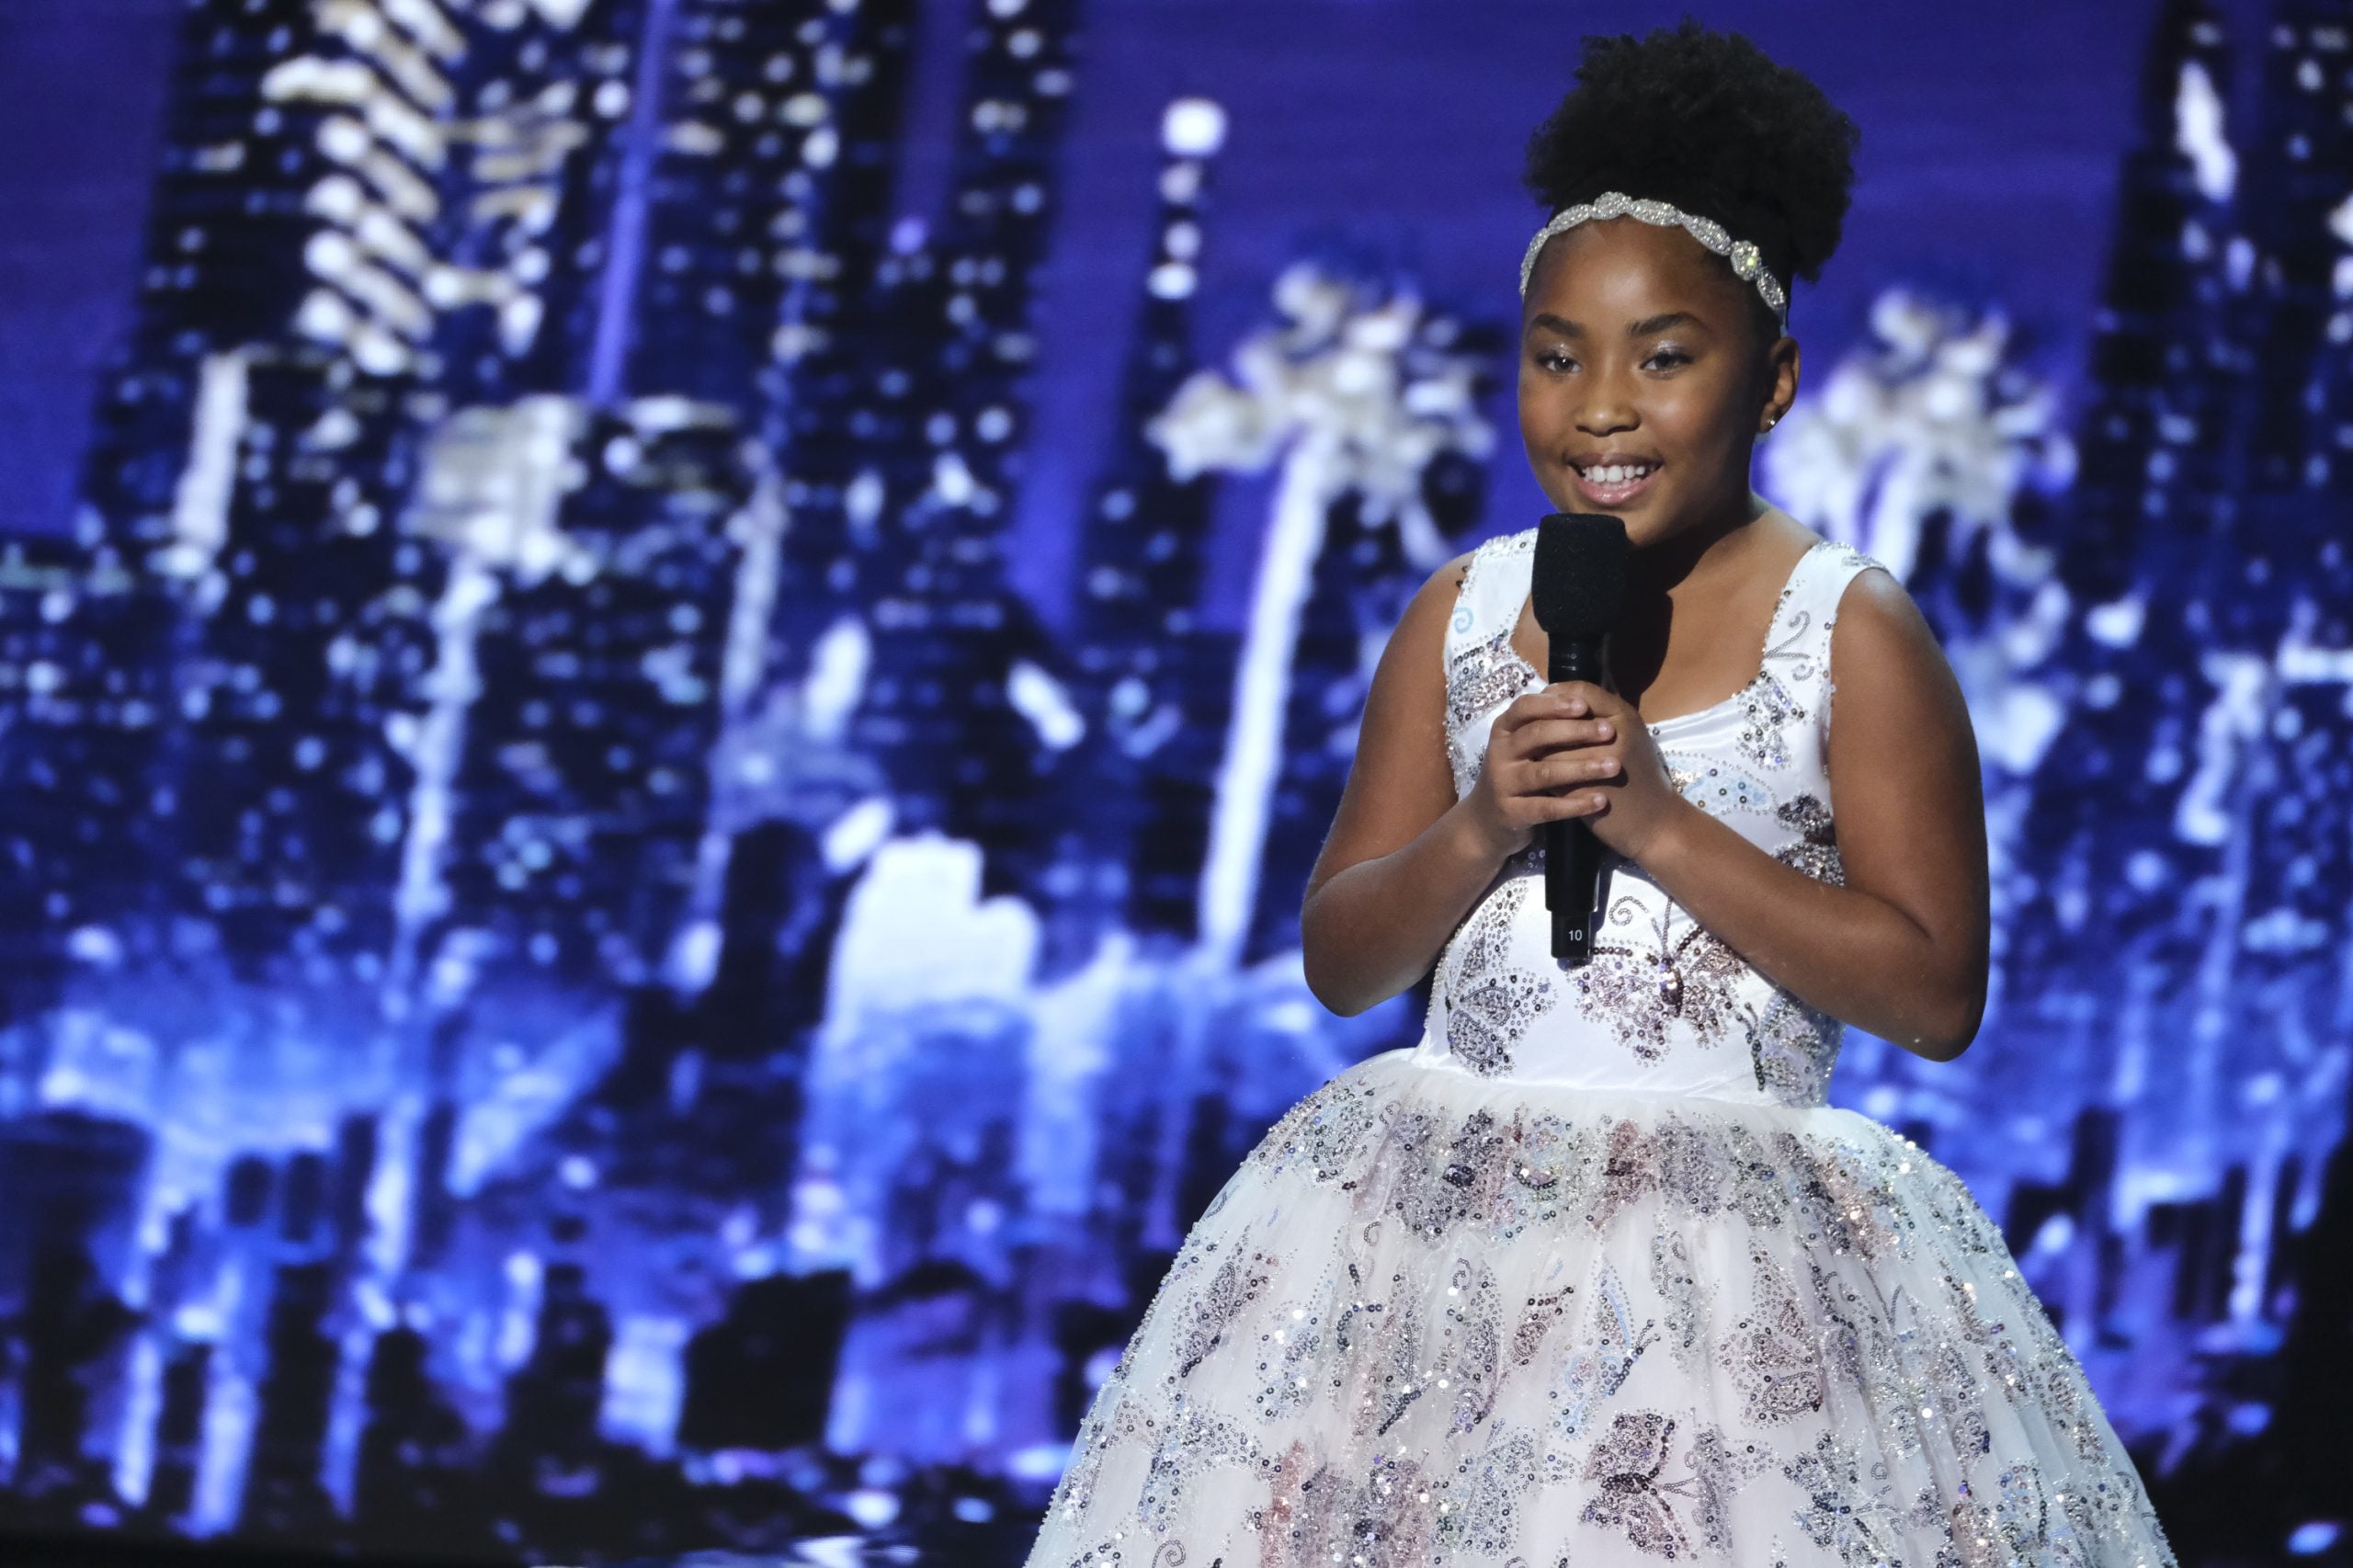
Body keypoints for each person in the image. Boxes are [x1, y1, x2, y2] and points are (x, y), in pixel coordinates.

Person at [1025, 21, 2177, 1566]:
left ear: (1771, 381)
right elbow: (1343, 953)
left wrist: (1663, 827)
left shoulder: (1851, 628)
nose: (1602, 409)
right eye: (1557, 355)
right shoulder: (1464, 609)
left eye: (1663, 357)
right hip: (1427, 1256)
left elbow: (1933, 988)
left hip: (1724, 1278)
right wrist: (1484, 824)